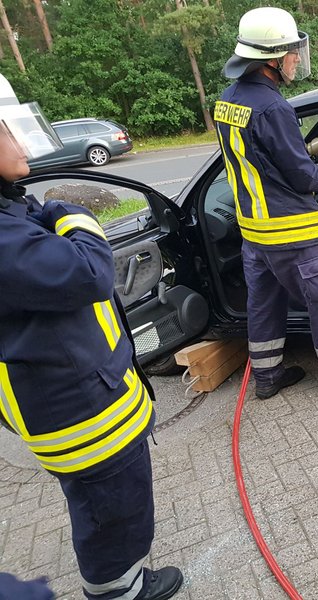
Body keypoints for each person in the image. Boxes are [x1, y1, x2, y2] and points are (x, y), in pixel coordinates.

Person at [0, 101, 183, 600]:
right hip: (78, 409)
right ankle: (116, 588)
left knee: (107, 501)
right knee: (112, 510)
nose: (17, 141)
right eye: (5, 132)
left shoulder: (10, 213)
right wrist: (72, 213)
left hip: (72, 393)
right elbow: (89, 273)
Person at [216, 7, 318, 399]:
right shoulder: (274, 108)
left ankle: (267, 378)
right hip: (290, 231)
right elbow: (306, 179)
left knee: (264, 304)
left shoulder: (227, 101)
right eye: (291, 53)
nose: (295, 60)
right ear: (271, 59)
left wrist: (308, 151)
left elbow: (263, 158)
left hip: (255, 233)